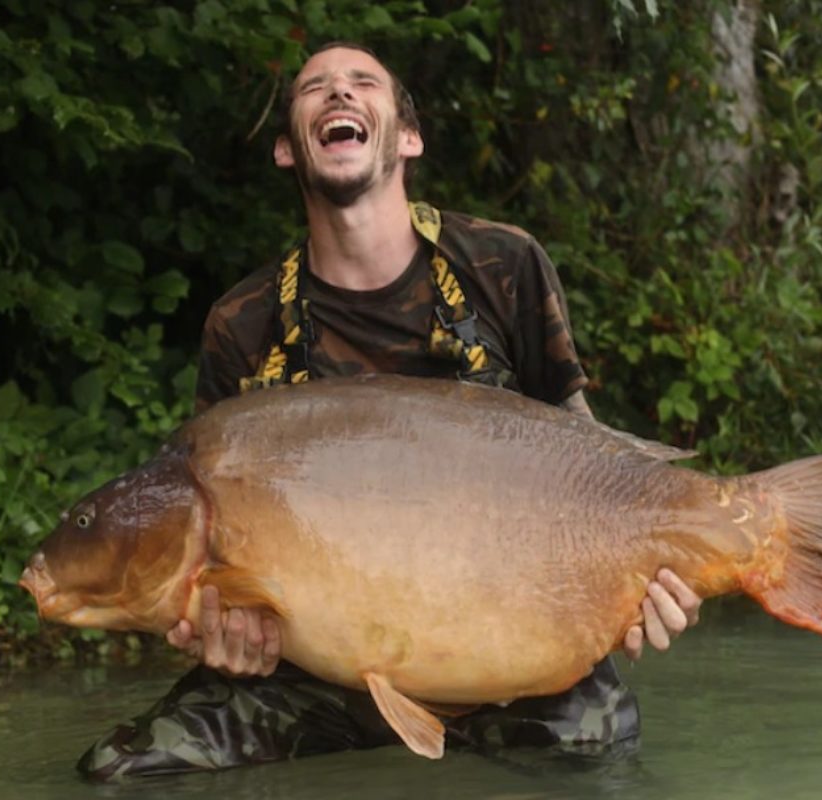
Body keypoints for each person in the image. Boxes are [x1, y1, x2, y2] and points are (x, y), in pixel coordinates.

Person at [77, 42, 701, 781]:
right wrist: (221, 630)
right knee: (120, 772)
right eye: (315, 88)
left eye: (362, 83)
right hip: (314, 665)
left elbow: (585, 456)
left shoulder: (502, 264)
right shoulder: (242, 323)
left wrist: (648, 568)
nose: (339, 94)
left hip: (499, 640)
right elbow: (209, 539)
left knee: (596, 750)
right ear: (287, 148)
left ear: (407, 136)